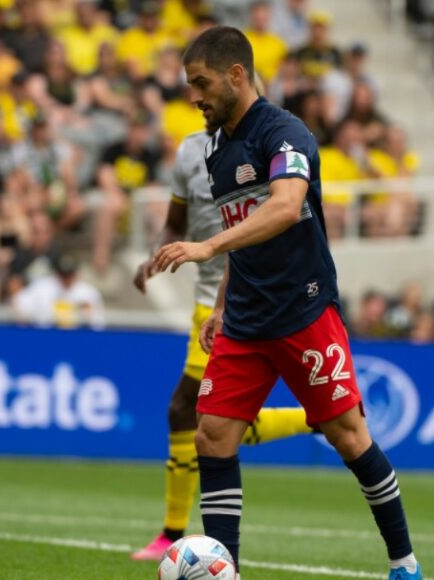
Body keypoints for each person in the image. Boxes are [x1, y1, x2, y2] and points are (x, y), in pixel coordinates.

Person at [152, 27, 421, 580]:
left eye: (201, 83)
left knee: (349, 437)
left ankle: (405, 563)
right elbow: (243, 230)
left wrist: (204, 246)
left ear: (236, 75)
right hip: (245, 320)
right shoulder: (217, 151)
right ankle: (226, 569)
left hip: (303, 312)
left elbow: (284, 207)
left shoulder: (284, 133)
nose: (194, 96)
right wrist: (225, 303)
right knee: (212, 433)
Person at [130, 129, 312, 561]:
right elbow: (176, 221)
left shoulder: (269, 140)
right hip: (205, 303)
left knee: (191, 412)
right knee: (206, 420)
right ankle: (312, 418)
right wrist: (156, 255)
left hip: (243, 299)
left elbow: (281, 216)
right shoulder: (190, 149)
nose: (199, 98)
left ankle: (172, 532)